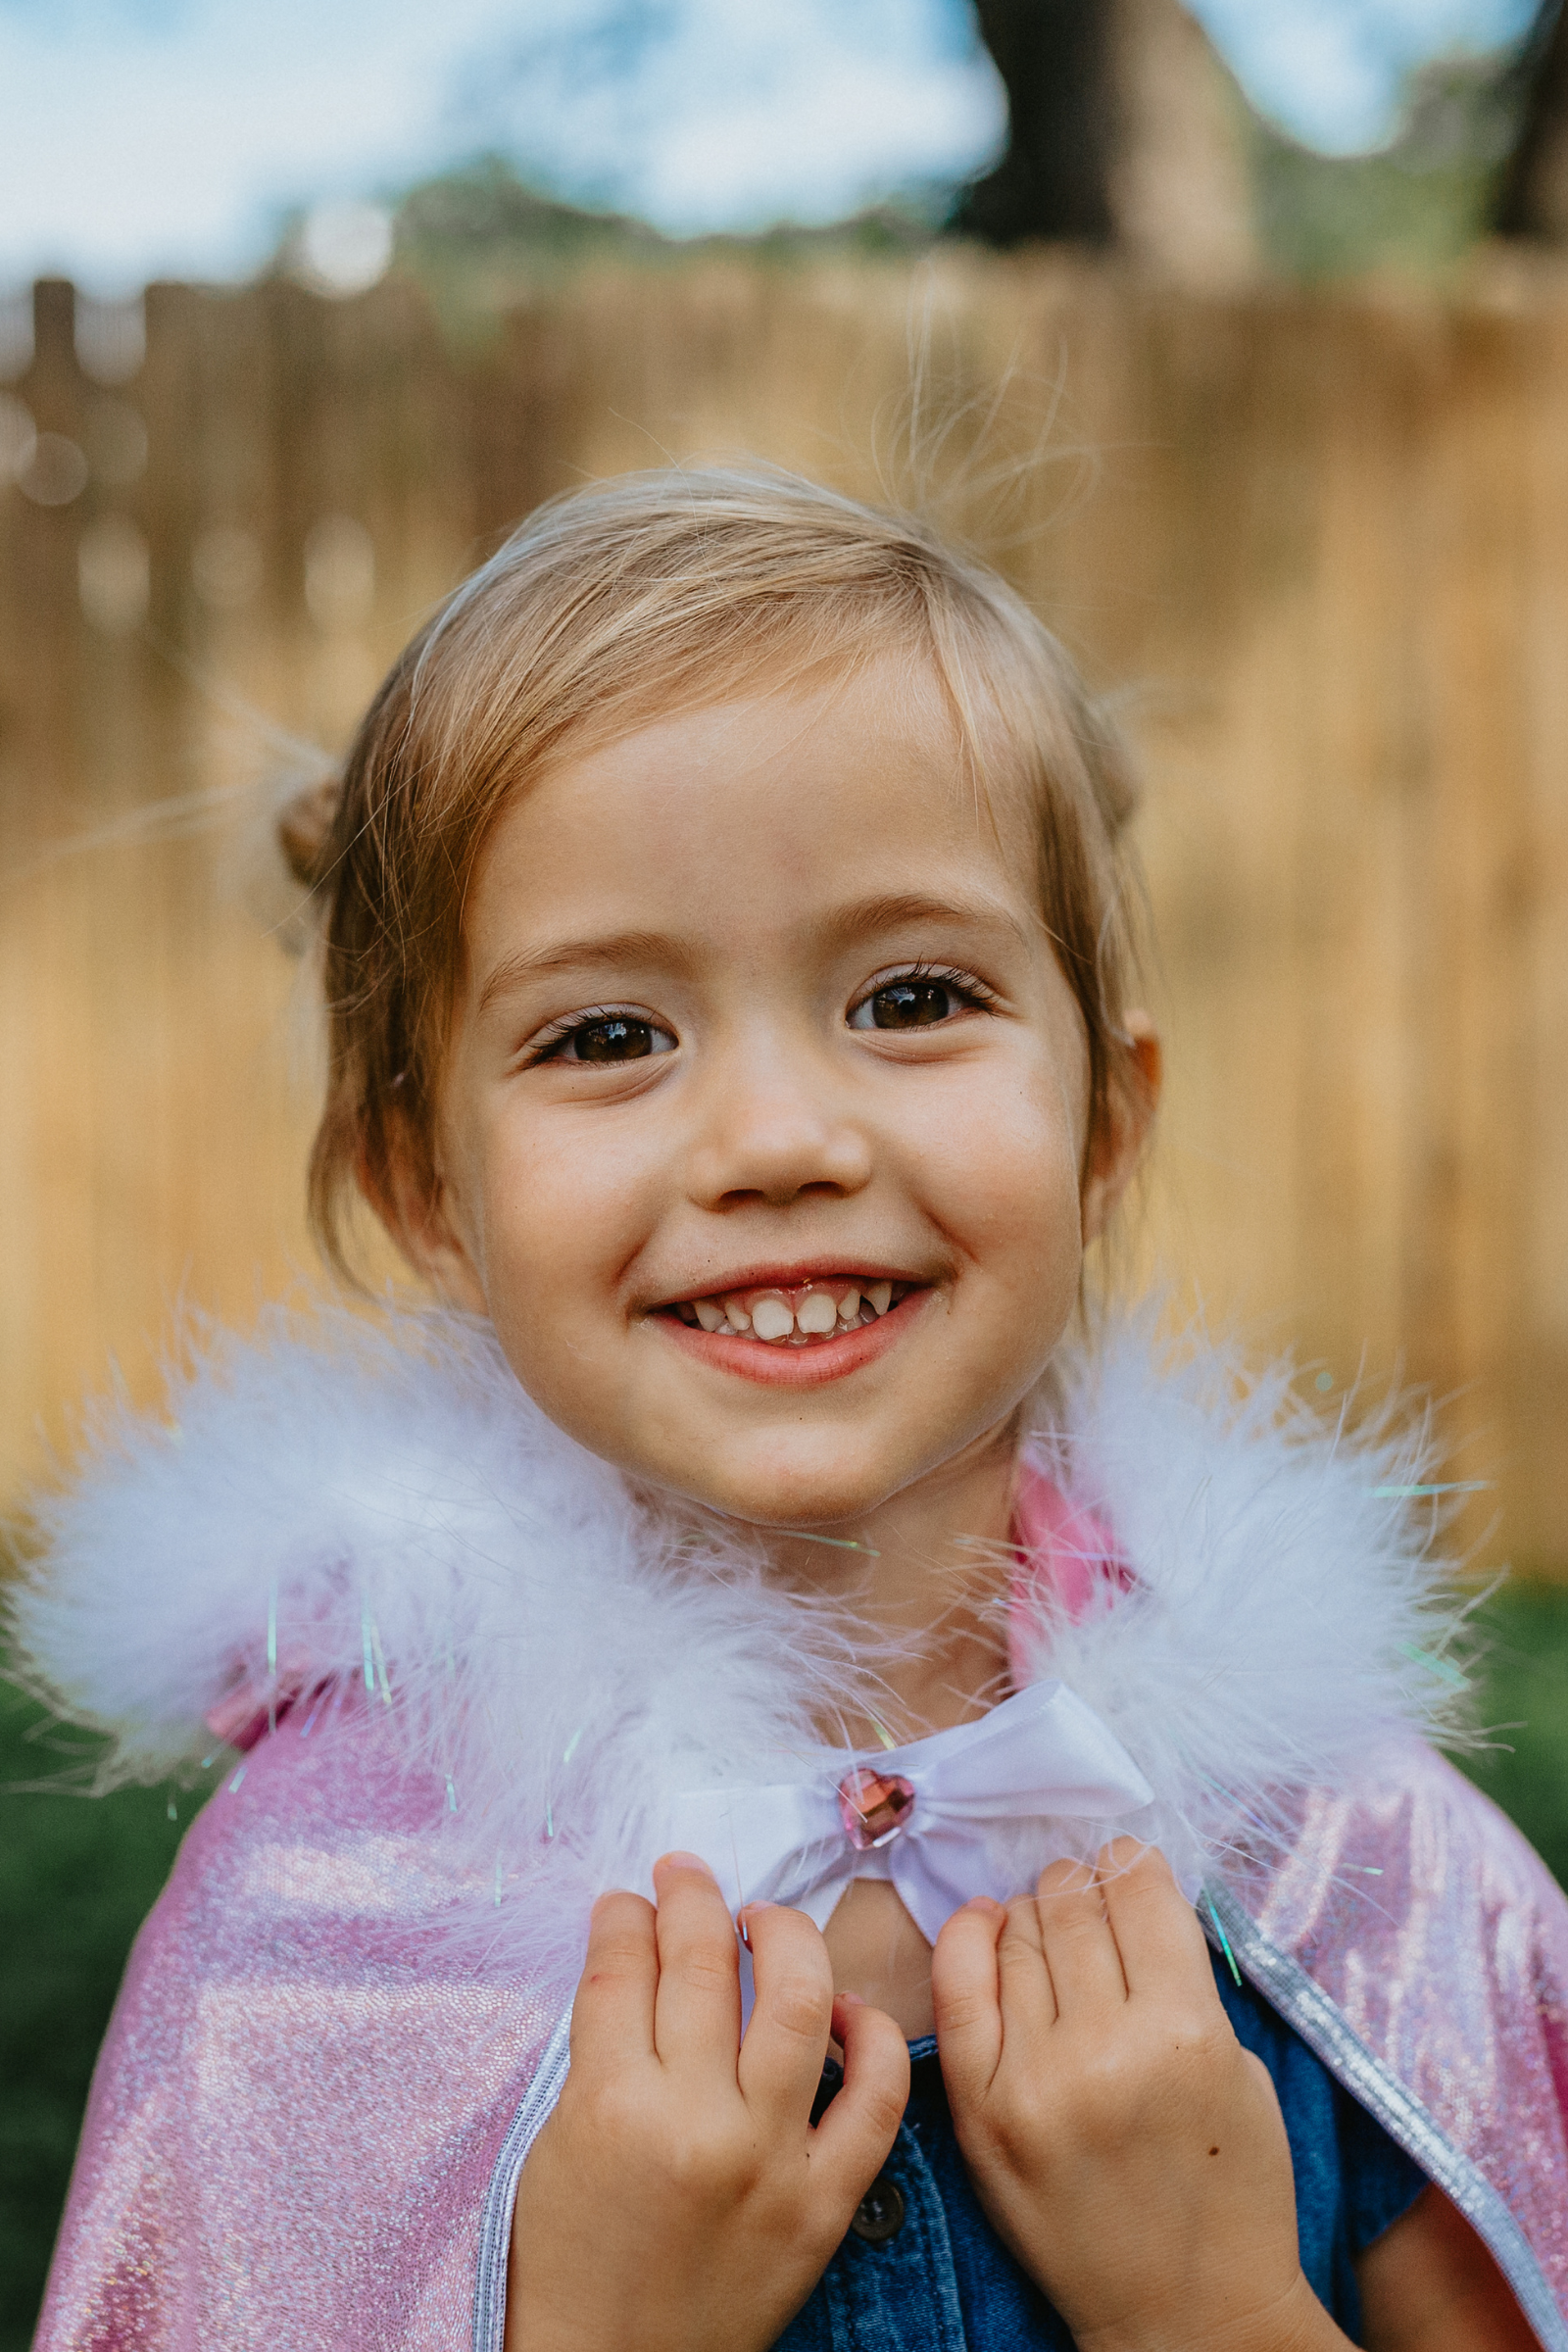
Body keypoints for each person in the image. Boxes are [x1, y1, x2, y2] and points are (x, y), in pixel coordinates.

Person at [14, 467, 1567, 2352]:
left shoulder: (1330, 1848)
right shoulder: (316, 1929)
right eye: (607, 1037)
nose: (778, 1139)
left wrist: (1208, 2306)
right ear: (426, 1185)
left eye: (913, 995)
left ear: (1106, 1125)